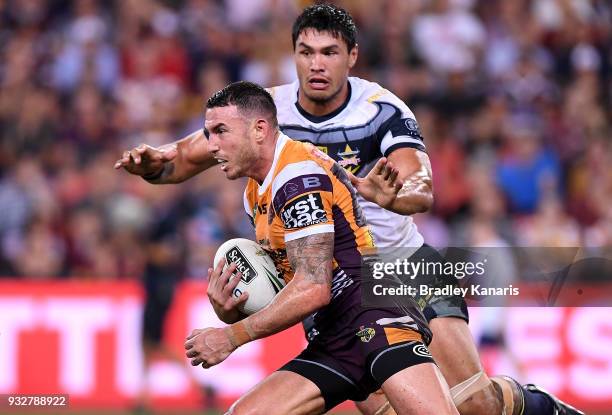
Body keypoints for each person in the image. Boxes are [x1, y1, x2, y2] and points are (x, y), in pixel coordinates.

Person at [115, 5, 583, 415]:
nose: (316, 64)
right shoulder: (265, 114)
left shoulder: (380, 110)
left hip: (400, 267)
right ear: (293, 54)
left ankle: (540, 406)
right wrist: (155, 162)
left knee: (474, 403)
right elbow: (182, 159)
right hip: (337, 287)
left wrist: (392, 196)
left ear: (351, 57)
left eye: (329, 52)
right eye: (306, 52)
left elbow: (421, 185)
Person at [183, 80, 458, 414]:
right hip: (333, 330)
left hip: (374, 311)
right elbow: (289, 280)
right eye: (209, 133)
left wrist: (231, 336)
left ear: (259, 129)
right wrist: (233, 305)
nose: (212, 145)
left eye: (220, 131)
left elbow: (313, 288)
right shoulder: (256, 192)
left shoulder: (297, 178)